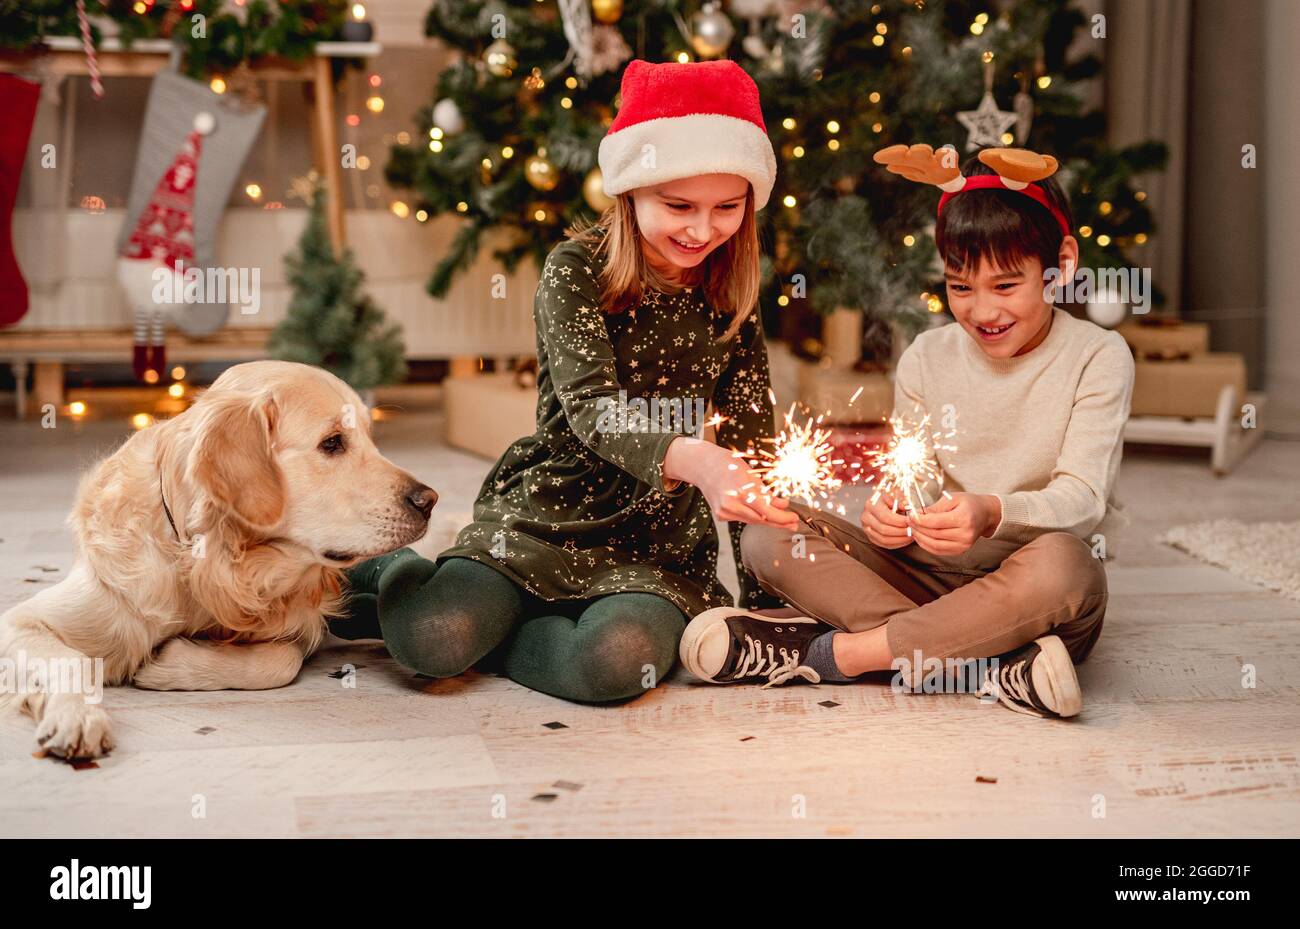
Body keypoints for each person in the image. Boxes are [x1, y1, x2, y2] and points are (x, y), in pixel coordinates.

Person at [332, 59, 798, 703]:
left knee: (613, 664)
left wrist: (766, 604)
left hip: (654, 544)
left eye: (727, 207)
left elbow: (754, 448)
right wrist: (696, 459)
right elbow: (593, 410)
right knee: (433, 639)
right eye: (678, 205)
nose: (701, 230)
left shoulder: (732, 293)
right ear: (630, 189)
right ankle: (391, 577)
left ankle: (508, 625)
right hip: (551, 512)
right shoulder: (575, 269)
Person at [680, 145, 1135, 720]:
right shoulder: (927, 355)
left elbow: (1085, 500)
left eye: (1006, 285)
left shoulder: (1098, 355)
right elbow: (914, 476)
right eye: (961, 287)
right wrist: (891, 512)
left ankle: (842, 654)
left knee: (1068, 566)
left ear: (1061, 264)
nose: (981, 310)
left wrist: (991, 512)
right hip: (926, 580)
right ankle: (994, 665)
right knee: (770, 534)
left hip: (1030, 593)